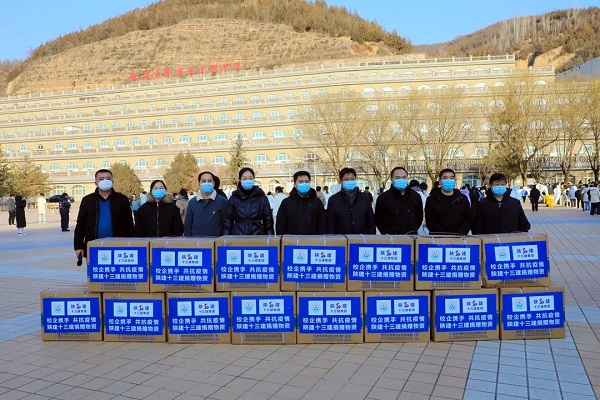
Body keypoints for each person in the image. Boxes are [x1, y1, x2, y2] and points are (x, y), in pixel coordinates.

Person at [74, 169, 135, 260]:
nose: (105, 181)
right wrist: (78, 246)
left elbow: (129, 224)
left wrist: (132, 244)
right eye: (101, 179)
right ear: (96, 183)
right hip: (94, 246)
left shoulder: (122, 199)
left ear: (113, 181)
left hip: (119, 247)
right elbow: (81, 224)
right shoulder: (88, 200)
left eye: (108, 178)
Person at [224, 167, 274, 235]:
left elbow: (268, 222)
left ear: (254, 179)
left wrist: (270, 238)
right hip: (238, 236)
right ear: (240, 180)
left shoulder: (262, 198)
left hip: (258, 235)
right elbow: (227, 222)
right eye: (244, 178)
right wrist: (225, 238)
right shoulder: (234, 198)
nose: (248, 180)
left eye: (250, 178)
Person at [276, 170, 327, 235]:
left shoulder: (317, 202)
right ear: (294, 184)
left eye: (306, 181)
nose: (304, 184)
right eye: (301, 181)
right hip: (292, 240)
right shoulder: (286, 203)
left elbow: (322, 225)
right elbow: (280, 225)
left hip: (312, 239)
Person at [327, 167, 375, 234]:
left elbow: (370, 221)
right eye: (347, 179)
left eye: (352, 179)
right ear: (341, 182)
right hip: (342, 238)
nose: (350, 181)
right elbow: (331, 224)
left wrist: (372, 238)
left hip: (362, 238)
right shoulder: (333, 200)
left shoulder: (365, 198)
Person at [375, 167, 423, 234]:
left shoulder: (415, 196)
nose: (401, 180)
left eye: (404, 177)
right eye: (397, 178)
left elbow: (419, 218)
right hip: (391, 237)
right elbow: (379, 220)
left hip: (411, 237)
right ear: (392, 179)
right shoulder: (383, 198)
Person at [424, 168, 472, 235]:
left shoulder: (462, 198)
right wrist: (444, 236)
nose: (449, 180)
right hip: (438, 238)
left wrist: (459, 234)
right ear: (440, 181)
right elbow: (430, 221)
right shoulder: (431, 199)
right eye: (445, 178)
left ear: (454, 180)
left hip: (460, 238)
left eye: (451, 178)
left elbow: (468, 219)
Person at [184, 171, 231, 237]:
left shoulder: (222, 201)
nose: (206, 183)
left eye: (209, 181)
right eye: (203, 181)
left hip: (215, 241)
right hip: (196, 241)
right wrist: (188, 240)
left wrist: (223, 239)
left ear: (214, 183)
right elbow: (188, 225)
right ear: (199, 184)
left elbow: (226, 225)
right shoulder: (192, 202)